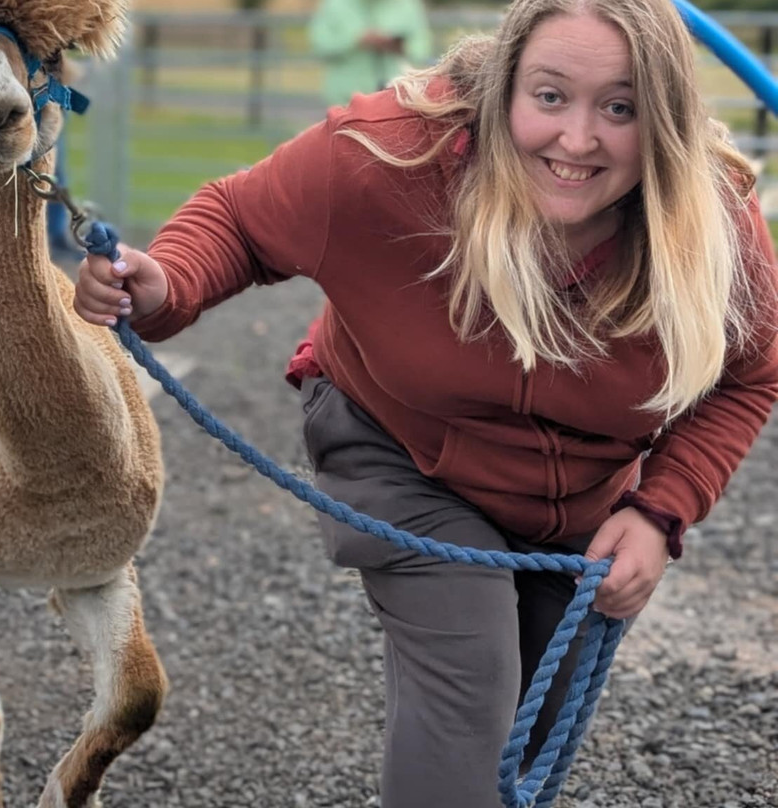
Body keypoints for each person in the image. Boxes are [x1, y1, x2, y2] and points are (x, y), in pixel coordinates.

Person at [73, 0, 778, 805]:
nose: (577, 139)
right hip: (402, 452)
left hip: (584, 492)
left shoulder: (709, 216)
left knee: (527, 729)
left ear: (663, 115)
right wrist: (167, 282)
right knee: (470, 683)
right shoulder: (392, 156)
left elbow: (749, 373)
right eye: (550, 97)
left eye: (619, 108)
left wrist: (660, 511)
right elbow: (237, 218)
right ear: (505, 86)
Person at [308, 0, 433, 107]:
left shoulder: (407, 4)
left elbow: (422, 47)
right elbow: (319, 44)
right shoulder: (335, 4)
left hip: (395, 96)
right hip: (346, 97)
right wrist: (356, 40)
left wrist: (397, 46)